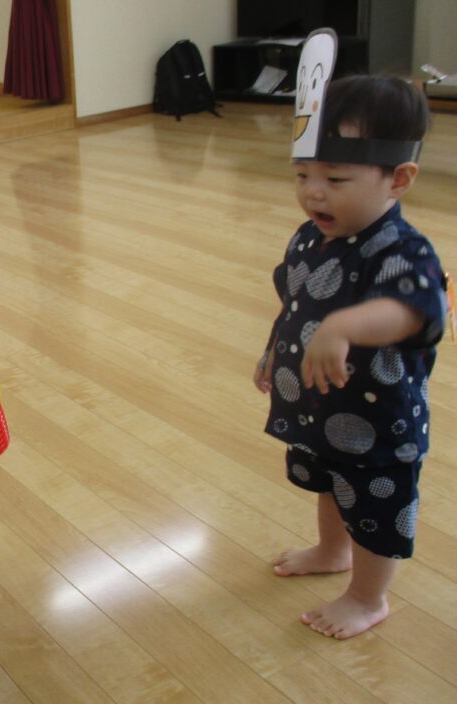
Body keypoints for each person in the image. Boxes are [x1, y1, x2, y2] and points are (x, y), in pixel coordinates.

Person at [255, 75, 447, 639]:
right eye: (303, 175)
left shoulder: (402, 250)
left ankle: (367, 598)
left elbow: (414, 310)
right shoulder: (309, 236)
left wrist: (343, 326)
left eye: (335, 178)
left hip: (378, 421)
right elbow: (294, 301)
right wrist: (274, 349)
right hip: (320, 406)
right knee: (331, 485)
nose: (313, 193)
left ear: (399, 179)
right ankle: (332, 550)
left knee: (374, 508)